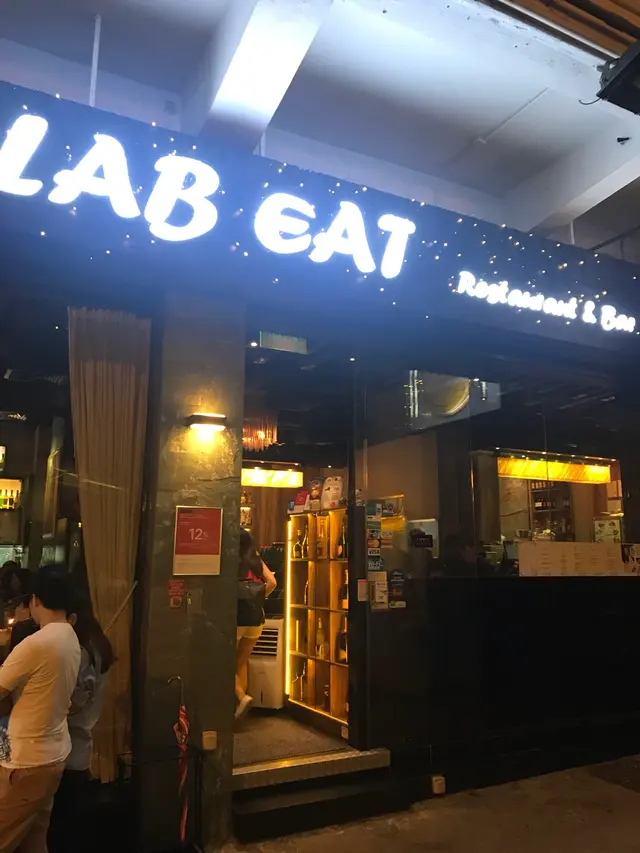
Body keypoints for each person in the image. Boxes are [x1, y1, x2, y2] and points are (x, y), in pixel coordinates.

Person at [0, 565, 80, 853]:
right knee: (32, 843)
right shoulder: (70, 637)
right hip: (52, 756)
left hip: (26, 762)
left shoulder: (36, 644)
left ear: (35, 599)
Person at [48, 592, 114, 852]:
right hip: (80, 749)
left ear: (73, 619)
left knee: (63, 829)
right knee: (72, 824)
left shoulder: (83, 654)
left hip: (69, 751)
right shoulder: (97, 647)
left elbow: (73, 703)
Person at [235, 529, 276, 721]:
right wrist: (258, 599)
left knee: (225, 661)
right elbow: (272, 582)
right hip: (256, 618)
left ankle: (241, 697)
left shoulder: (232, 561)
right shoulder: (256, 560)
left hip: (236, 618)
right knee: (241, 662)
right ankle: (239, 710)